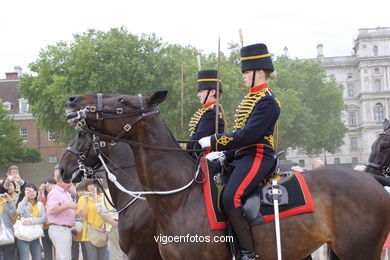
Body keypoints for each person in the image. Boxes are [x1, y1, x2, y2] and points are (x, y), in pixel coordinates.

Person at [199, 43, 281, 260]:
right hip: (243, 156)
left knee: (230, 196)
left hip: (259, 156)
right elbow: (241, 139)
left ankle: (248, 253)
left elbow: (248, 136)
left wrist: (214, 141)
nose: (244, 76)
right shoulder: (250, 99)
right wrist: (225, 154)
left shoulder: (267, 101)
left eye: (247, 72)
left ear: (260, 72)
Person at [185, 69, 227, 152]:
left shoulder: (211, 112)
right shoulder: (211, 109)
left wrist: (183, 146)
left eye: (201, 91)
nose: (198, 95)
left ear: (212, 92)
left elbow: (198, 138)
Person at [46, 174, 77, 260]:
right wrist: (68, 206)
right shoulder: (54, 193)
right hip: (59, 229)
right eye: (68, 181)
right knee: (63, 257)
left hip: (66, 229)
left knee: (66, 256)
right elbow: (51, 211)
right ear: (61, 181)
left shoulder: (66, 192)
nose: (70, 183)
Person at [77, 179, 107, 260]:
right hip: (89, 232)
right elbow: (83, 215)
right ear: (86, 186)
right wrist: (86, 201)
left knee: (102, 257)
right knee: (92, 257)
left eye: (93, 184)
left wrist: (106, 224)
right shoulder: (83, 198)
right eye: (89, 184)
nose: (92, 186)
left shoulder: (102, 196)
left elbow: (107, 212)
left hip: (102, 231)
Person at [16, 183, 46, 260]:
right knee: (24, 258)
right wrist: (26, 197)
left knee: (37, 257)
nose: (31, 193)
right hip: (23, 236)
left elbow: (43, 218)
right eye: (28, 190)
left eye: (33, 190)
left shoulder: (40, 204)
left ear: (36, 192)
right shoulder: (22, 203)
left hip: (35, 236)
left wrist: (31, 221)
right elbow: (19, 211)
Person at [41, 178, 57, 260]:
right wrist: (40, 192)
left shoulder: (59, 195)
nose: (48, 186)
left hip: (56, 226)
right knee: (47, 250)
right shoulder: (43, 197)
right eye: (46, 184)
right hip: (46, 227)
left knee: (58, 251)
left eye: (50, 184)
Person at [0, 182, 17, 259]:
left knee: (8, 257)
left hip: (7, 234)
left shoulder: (7, 202)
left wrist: (10, 202)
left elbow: (13, 215)